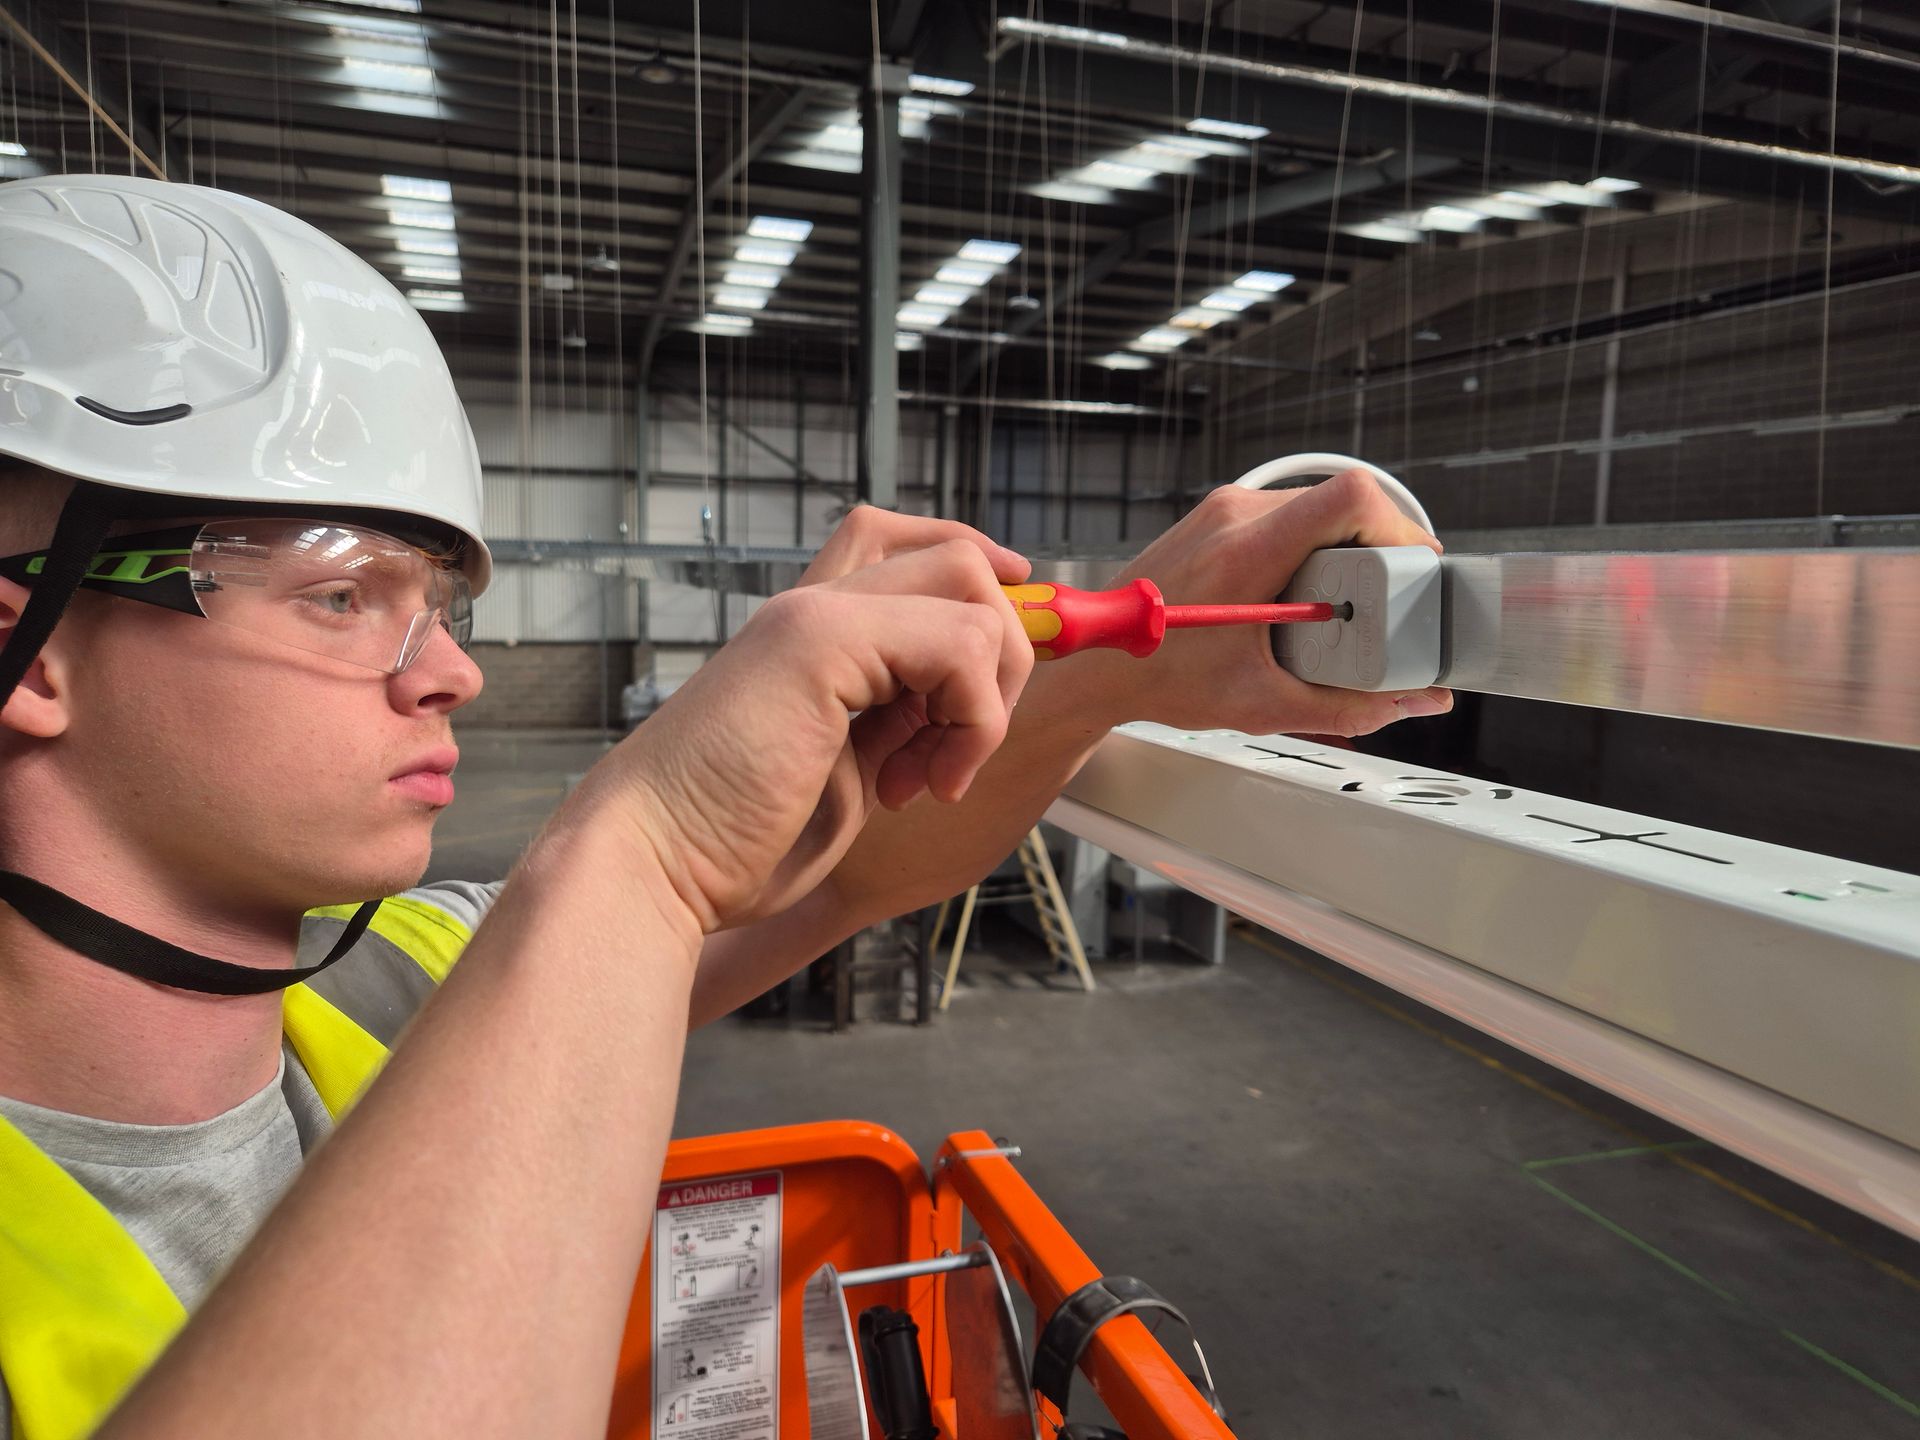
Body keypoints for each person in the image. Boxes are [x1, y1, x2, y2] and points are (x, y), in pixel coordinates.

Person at [0, 174, 1450, 1438]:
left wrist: (1131, 648)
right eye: (338, 596)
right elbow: (682, 882)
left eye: (436, 603)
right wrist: (640, 851)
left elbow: (845, 869)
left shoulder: (397, 992)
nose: (449, 675)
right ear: (32, 645)